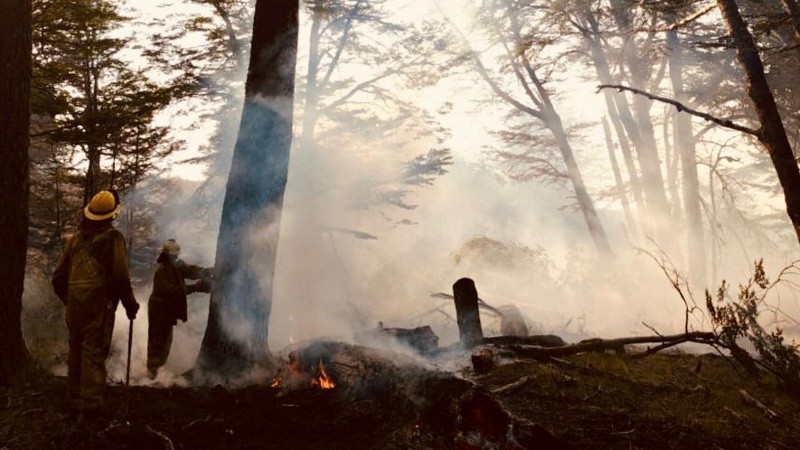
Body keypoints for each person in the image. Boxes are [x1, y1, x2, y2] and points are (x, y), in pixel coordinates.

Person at [51, 190, 140, 416]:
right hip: (98, 308)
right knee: (93, 353)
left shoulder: (76, 240)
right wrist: (130, 304)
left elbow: (58, 278)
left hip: (75, 309)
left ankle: (73, 400)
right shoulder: (113, 238)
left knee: (76, 351)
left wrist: (69, 300)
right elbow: (121, 276)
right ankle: (91, 407)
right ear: (111, 215)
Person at [146, 239, 211, 379]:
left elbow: (190, 270)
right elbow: (173, 291)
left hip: (167, 309)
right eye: (174, 256)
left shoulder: (175, 265)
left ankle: (157, 371)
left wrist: (207, 271)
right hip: (159, 308)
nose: (176, 258)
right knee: (158, 341)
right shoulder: (162, 270)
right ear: (167, 255)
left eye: (177, 256)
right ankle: (152, 372)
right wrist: (196, 288)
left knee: (166, 341)